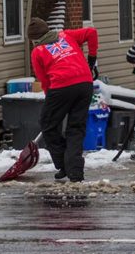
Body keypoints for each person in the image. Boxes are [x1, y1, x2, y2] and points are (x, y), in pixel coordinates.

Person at [28, 17, 98, 182]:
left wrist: (51, 102)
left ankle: (63, 164)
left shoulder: (37, 51)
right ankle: (75, 171)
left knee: (48, 125)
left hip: (60, 87)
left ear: (34, 39)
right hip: (85, 84)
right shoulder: (65, 36)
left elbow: (44, 81)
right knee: (76, 128)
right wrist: (92, 59)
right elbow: (92, 32)